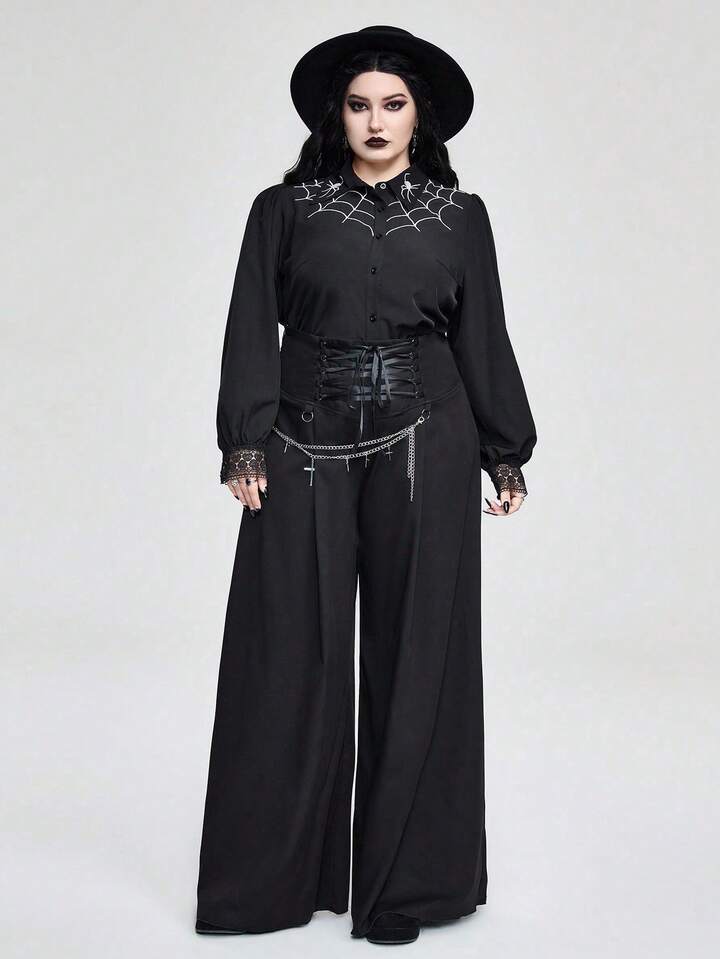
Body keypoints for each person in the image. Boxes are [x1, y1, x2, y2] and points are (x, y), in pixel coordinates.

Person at [195, 24, 537, 946]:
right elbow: (249, 323)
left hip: (428, 440)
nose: (376, 122)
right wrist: (243, 442)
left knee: (419, 654)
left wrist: (505, 451)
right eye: (359, 105)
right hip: (300, 440)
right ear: (335, 115)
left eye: (393, 105)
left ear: (420, 117)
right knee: (287, 651)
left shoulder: (460, 217)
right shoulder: (285, 209)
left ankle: (405, 887)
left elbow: (483, 336)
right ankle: (270, 884)